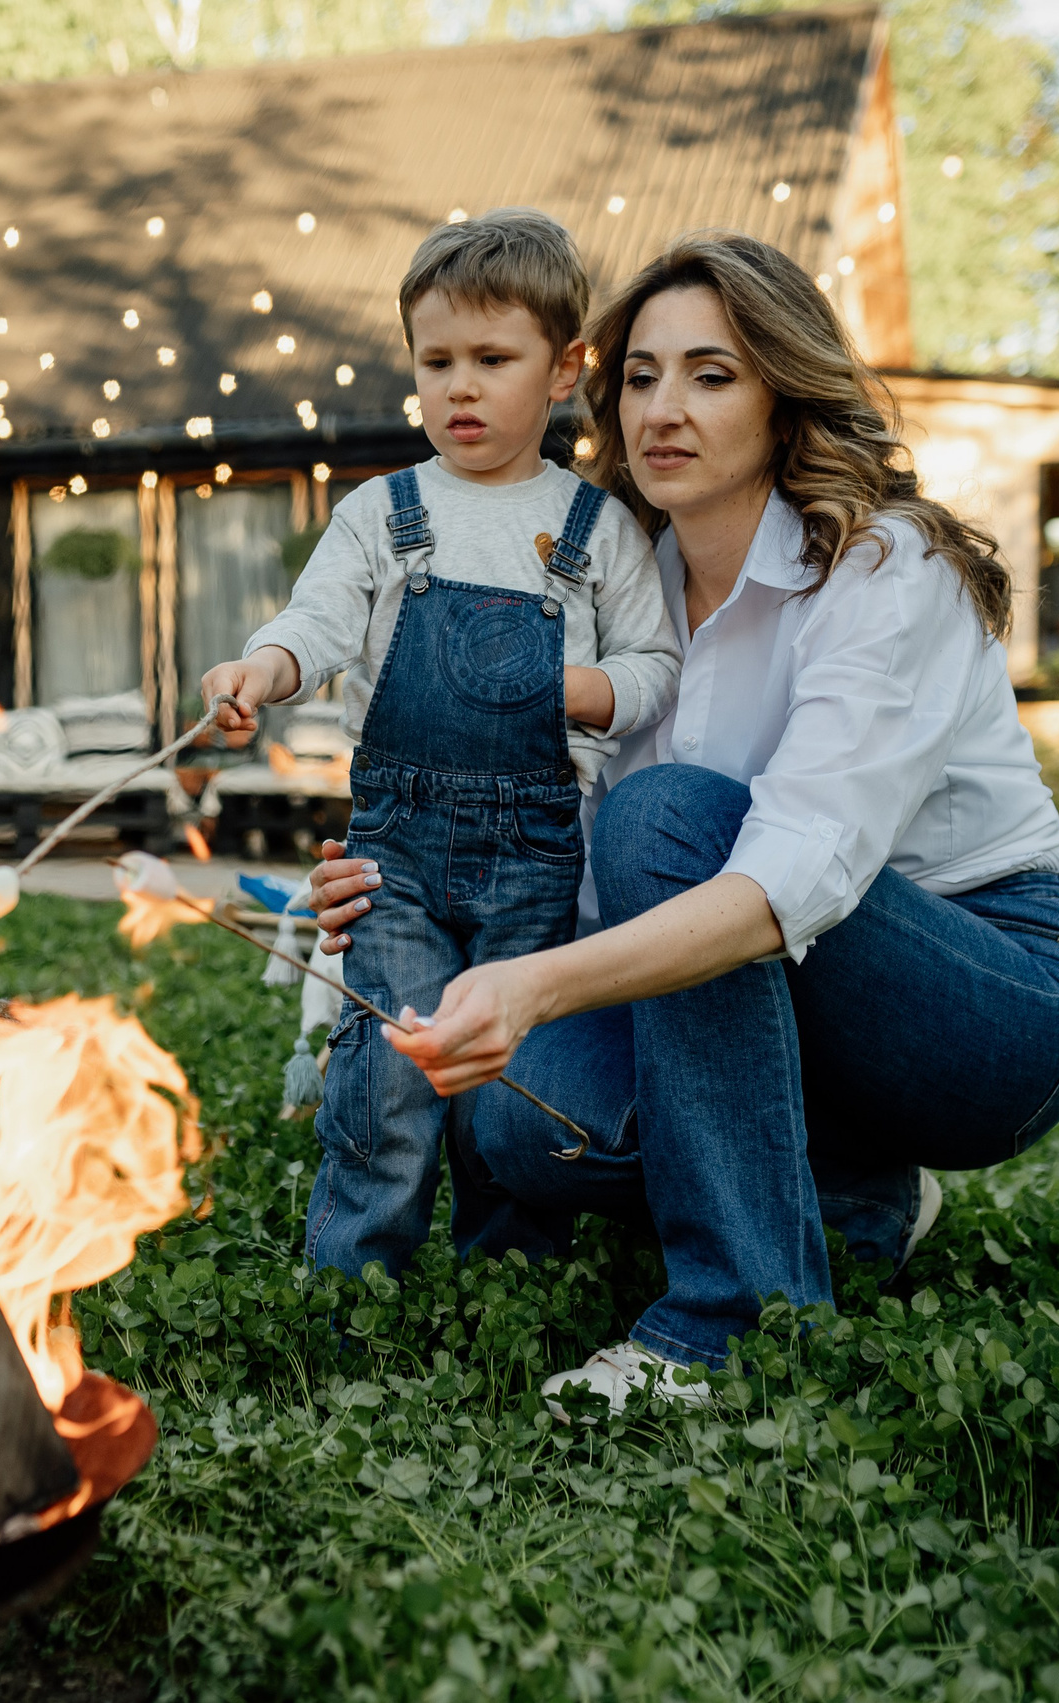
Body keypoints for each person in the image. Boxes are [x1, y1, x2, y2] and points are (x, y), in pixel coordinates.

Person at [295, 232, 1059, 1412]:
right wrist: (395, 876)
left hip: (984, 996)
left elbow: (786, 882)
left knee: (667, 819)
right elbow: (558, 847)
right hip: (775, 1001)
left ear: (785, 394)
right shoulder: (612, 581)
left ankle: (730, 1320)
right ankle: (850, 1190)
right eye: (641, 375)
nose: (662, 409)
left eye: (711, 375)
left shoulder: (886, 568)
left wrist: (532, 988)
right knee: (517, 1121)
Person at [196, 208, 678, 1280]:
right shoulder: (382, 513)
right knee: (388, 1064)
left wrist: (576, 687)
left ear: (563, 369)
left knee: (502, 1066)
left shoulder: (599, 528)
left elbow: (656, 670)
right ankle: (353, 1275)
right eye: (436, 360)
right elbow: (316, 623)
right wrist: (260, 669)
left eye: (492, 360)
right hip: (396, 849)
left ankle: (505, 1275)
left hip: (536, 849)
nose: (459, 387)